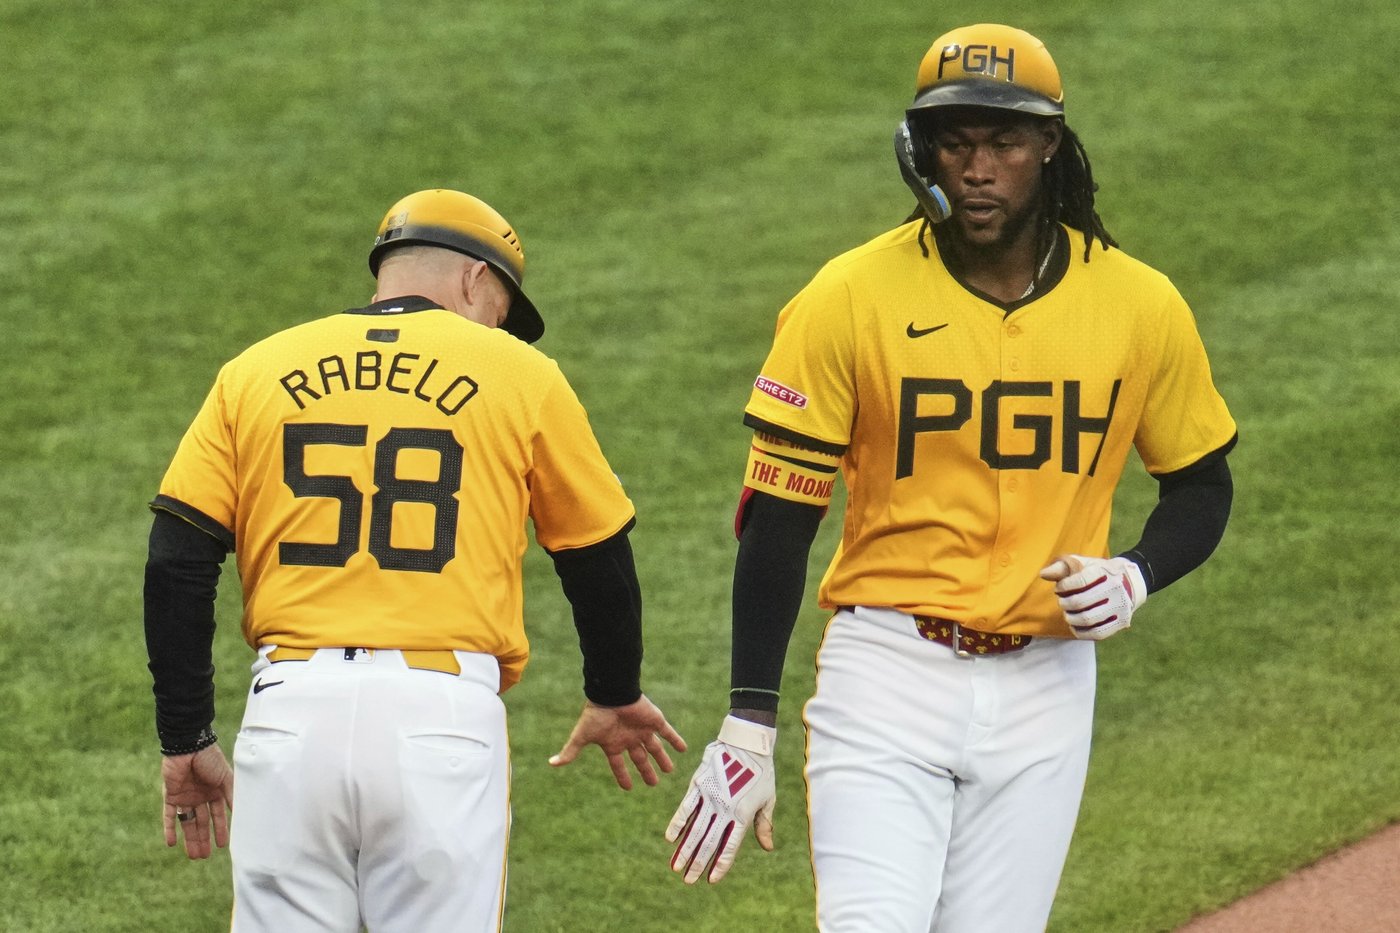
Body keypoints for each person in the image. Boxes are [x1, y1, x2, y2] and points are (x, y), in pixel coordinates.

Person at [665, 23, 1236, 932]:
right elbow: (778, 521)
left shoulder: (1138, 305)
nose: (978, 168)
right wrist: (748, 721)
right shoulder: (849, 297)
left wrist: (1135, 572)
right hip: (887, 671)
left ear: (1049, 146)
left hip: (1050, 683)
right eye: (955, 141)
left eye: (1005, 141)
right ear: (918, 148)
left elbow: (1202, 482)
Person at [144, 188, 685, 932]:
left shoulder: (256, 370)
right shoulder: (520, 375)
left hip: (288, 720)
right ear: (474, 280)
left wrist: (186, 736)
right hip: (441, 725)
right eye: (502, 305)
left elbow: (177, 558)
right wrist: (614, 689)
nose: (501, 325)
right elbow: (595, 552)